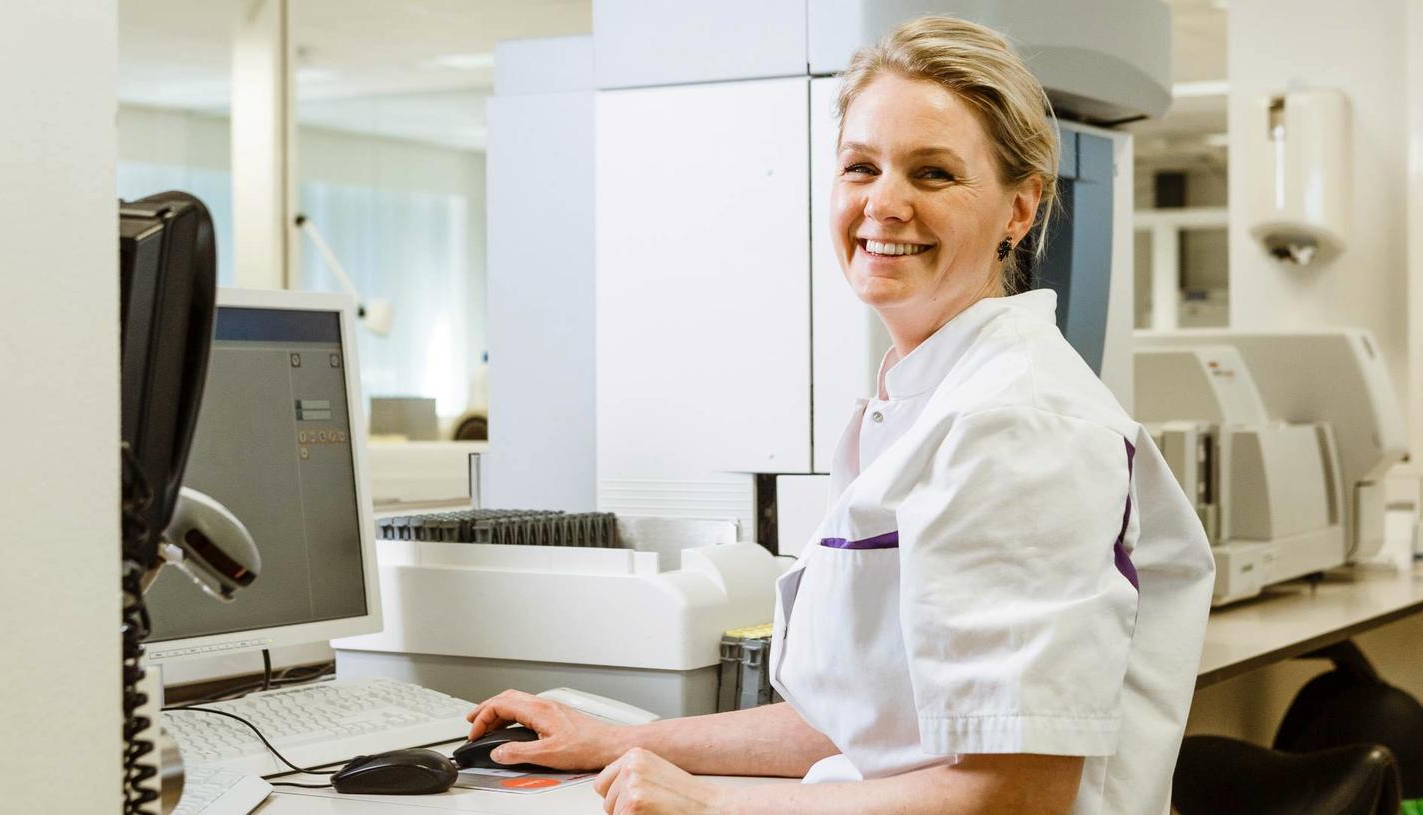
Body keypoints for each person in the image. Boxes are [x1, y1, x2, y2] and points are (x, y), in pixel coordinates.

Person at [464, 15, 1215, 814]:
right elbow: (863, 727)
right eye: (862, 167)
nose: (884, 204)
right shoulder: (923, 399)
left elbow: (1018, 789)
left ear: (1019, 210)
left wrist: (710, 804)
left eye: (933, 174)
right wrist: (621, 739)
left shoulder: (1019, 424)